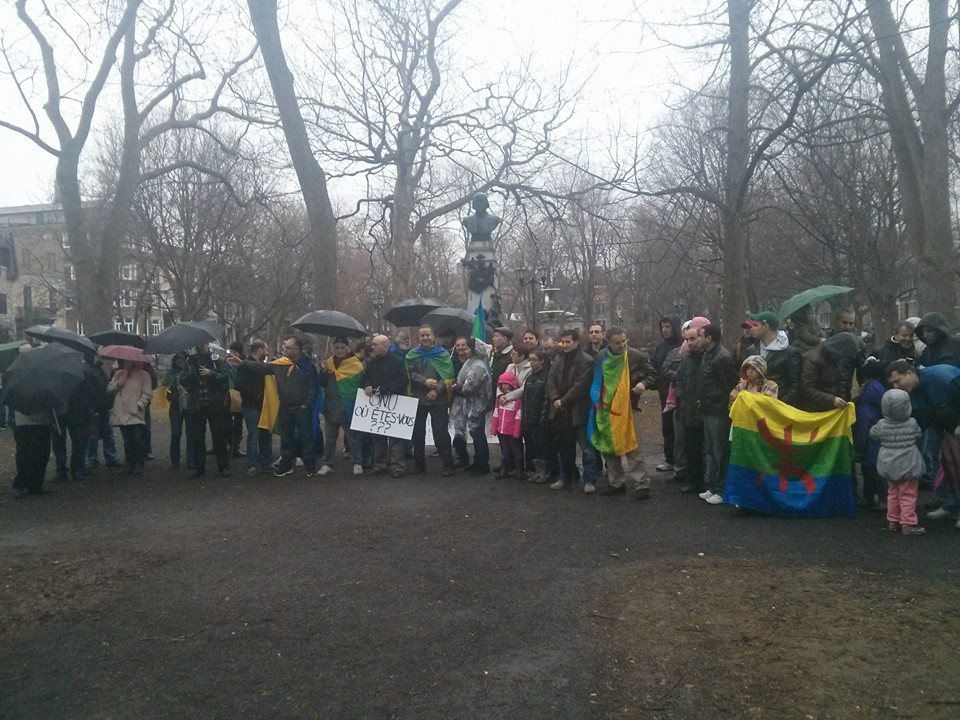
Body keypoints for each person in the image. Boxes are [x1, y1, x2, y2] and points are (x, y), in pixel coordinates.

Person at [887, 359, 960, 525]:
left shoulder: (943, 376)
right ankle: (950, 504)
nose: (895, 387)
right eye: (892, 384)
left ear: (909, 373)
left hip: (956, 424)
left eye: (897, 381)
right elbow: (922, 415)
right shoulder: (912, 391)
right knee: (945, 464)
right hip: (943, 426)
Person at [589, 327, 657, 500]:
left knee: (633, 445)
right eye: (617, 343)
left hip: (628, 406)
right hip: (606, 407)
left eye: (624, 341)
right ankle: (616, 482)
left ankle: (641, 484)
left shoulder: (634, 355)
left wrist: (643, 384)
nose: (622, 345)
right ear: (608, 343)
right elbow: (597, 379)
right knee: (609, 445)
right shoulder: (601, 356)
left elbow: (653, 374)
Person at [546, 328, 597, 492]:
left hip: (579, 410)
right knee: (563, 447)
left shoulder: (587, 361)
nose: (565, 345)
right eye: (563, 342)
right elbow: (551, 380)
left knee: (586, 448)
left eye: (568, 341)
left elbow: (581, 386)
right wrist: (555, 398)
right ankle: (565, 477)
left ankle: (589, 480)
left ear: (576, 342)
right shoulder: (558, 359)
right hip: (560, 411)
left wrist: (563, 401)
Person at [870, 389, 926, 535]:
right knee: (908, 494)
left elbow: (873, 434)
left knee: (893, 493)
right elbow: (919, 434)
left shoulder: (881, 425)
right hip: (908, 464)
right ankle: (908, 523)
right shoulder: (912, 423)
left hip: (889, 464)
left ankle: (893, 521)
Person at [696, 324, 739, 504]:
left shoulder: (722, 358)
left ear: (709, 338)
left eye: (700, 336)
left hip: (719, 412)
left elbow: (731, 384)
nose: (698, 339)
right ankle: (712, 486)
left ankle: (722, 490)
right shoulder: (707, 355)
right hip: (708, 409)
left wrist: (722, 404)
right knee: (710, 451)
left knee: (721, 452)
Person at [406, 325, 456, 476]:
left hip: (438, 400)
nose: (425, 338)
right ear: (418, 338)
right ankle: (419, 465)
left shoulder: (443, 354)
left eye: (428, 335)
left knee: (441, 433)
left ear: (433, 337)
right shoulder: (412, 355)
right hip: (418, 399)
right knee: (417, 434)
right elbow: (409, 373)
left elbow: (448, 376)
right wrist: (424, 381)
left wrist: (437, 390)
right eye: (422, 335)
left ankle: (448, 465)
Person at [180, 342, 232, 478]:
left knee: (219, 436)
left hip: (215, 404)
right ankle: (199, 467)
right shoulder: (190, 361)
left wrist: (211, 373)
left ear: (207, 343)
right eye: (197, 344)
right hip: (197, 404)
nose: (198, 346)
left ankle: (223, 466)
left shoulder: (217, 359)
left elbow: (225, 378)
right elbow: (182, 380)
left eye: (201, 343)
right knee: (197, 437)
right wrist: (191, 375)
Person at [51, 353, 103, 483]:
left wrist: (89, 409)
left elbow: (89, 392)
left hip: (75, 411)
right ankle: (66, 470)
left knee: (77, 442)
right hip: (62, 412)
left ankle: (74, 469)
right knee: (62, 443)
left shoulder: (82, 371)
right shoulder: (79, 370)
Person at [10, 345, 53, 498]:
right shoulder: (42, 373)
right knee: (34, 454)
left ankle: (28, 484)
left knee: (29, 454)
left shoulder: (15, 373)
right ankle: (28, 484)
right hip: (34, 421)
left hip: (27, 421)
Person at [318, 338, 365, 476]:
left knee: (352, 437)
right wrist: (323, 371)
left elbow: (360, 383)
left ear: (347, 348)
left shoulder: (355, 364)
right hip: (331, 404)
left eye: (342, 347)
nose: (339, 350)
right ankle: (327, 463)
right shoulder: (328, 363)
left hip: (349, 404)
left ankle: (357, 462)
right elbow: (322, 383)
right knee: (330, 438)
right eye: (337, 347)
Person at [363, 334, 409, 478]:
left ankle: (397, 466)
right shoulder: (371, 363)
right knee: (378, 436)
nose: (372, 347)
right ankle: (380, 464)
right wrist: (367, 385)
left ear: (385, 345)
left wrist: (384, 389)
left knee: (395, 437)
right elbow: (365, 377)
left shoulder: (397, 361)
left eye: (375, 344)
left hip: (393, 402)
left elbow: (403, 381)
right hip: (378, 404)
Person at [675, 319, 710, 495]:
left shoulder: (709, 359)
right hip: (688, 410)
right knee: (691, 448)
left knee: (707, 449)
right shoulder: (686, 360)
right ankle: (693, 480)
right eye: (687, 339)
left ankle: (708, 481)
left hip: (705, 410)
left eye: (693, 339)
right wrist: (681, 398)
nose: (689, 343)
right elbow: (679, 380)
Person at [229, 340, 273, 477]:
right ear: (260, 349)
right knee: (254, 435)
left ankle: (265, 463)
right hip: (251, 405)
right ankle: (252, 464)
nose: (267, 353)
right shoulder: (245, 365)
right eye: (266, 350)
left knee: (265, 435)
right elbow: (239, 385)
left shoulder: (249, 364)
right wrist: (256, 394)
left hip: (261, 404)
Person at [450, 336, 492, 475]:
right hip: (470, 404)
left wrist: (456, 388)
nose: (464, 350)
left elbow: (469, 388)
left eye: (467, 348)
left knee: (478, 435)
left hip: (477, 405)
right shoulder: (470, 362)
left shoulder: (478, 366)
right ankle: (477, 461)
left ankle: (483, 464)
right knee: (475, 434)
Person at [746, 311, 803, 406]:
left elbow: (795, 385)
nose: (751, 328)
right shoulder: (752, 350)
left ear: (766, 326)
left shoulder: (790, 353)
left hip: (779, 407)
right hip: (755, 406)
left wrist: (779, 405)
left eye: (755, 325)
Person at [798, 331, 865, 412]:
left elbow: (840, 380)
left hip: (834, 406)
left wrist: (843, 399)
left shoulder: (835, 355)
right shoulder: (812, 359)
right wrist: (832, 400)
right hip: (815, 409)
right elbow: (807, 388)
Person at [107, 360, 153, 476]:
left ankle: (138, 464)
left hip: (135, 412)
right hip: (122, 411)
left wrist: (139, 405)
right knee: (127, 440)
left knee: (137, 439)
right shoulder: (119, 374)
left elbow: (147, 393)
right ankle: (129, 464)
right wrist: (119, 382)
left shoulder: (144, 375)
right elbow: (109, 388)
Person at [854, 358, 886, 512]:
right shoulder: (880, 395)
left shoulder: (866, 409)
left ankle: (878, 499)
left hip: (869, 445)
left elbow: (863, 430)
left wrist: (858, 449)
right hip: (876, 445)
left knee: (871, 470)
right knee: (874, 470)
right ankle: (877, 498)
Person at [651, 315, 682, 473]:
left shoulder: (684, 345)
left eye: (668, 326)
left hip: (680, 392)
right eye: (662, 327)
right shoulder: (660, 348)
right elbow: (654, 368)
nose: (664, 330)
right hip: (664, 392)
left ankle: (682, 461)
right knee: (667, 427)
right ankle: (669, 459)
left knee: (681, 429)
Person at [522, 349, 554, 483]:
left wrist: (543, 418)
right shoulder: (529, 377)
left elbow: (546, 399)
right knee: (534, 446)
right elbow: (525, 398)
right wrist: (524, 418)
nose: (532, 363)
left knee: (543, 446)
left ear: (541, 361)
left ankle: (545, 471)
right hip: (530, 418)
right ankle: (538, 470)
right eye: (530, 360)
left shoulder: (546, 377)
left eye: (534, 360)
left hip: (541, 418)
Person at [86, 354, 120, 469]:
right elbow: (94, 391)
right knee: (96, 435)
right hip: (98, 406)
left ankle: (98, 458)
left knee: (105, 433)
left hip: (103, 406)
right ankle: (96, 458)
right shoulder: (95, 371)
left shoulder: (100, 371)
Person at [490, 370, 524, 479]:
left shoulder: (517, 401)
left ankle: (519, 471)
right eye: (502, 384)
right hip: (502, 430)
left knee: (516, 451)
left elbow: (518, 417)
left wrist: (516, 430)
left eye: (506, 383)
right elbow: (496, 414)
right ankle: (505, 470)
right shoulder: (499, 400)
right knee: (505, 451)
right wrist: (494, 428)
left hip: (512, 431)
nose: (504, 386)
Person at [161, 351, 192, 469]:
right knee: (176, 433)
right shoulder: (171, 373)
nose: (180, 360)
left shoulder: (190, 371)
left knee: (190, 433)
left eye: (183, 358)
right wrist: (172, 392)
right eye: (178, 358)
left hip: (189, 406)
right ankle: (175, 460)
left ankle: (190, 458)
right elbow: (164, 389)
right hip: (175, 407)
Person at [227, 340, 246, 458]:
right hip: (228, 396)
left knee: (238, 423)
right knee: (228, 422)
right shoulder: (226, 364)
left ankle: (236, 447)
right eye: (231, 352)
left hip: (240, 396)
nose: (232, 354)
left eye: (235, 352)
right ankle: (230, 444)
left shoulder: (243, 364)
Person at [489, 327, 514, 405]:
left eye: (496, 336)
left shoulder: (512, 355)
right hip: (494, 393)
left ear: (505, 338)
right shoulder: (495, 353)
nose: (493, 339)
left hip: (505, 398)